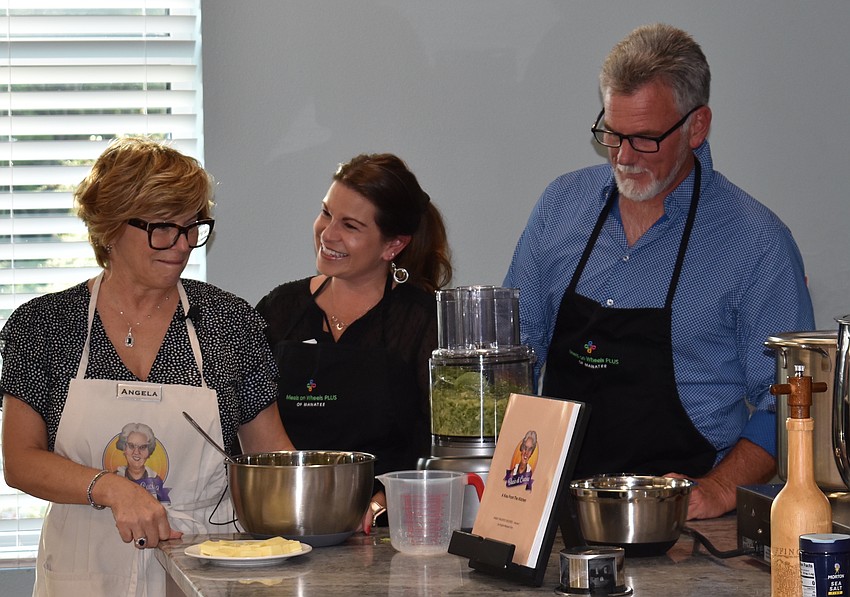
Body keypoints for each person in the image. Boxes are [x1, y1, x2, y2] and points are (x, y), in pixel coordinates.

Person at [504, 23, 815, 520]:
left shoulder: (756, 243)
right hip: (555, 513)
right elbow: (514, 354)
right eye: (612, 133)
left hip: (683, 524)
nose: (624, 157)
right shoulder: (561, 206)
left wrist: (718, 490)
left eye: (646, 139)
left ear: (697, 126)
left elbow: (790, 402)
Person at [0, 136, 294, 595]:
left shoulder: (229, 322)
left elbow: (271, 461)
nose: (182, 244)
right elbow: (20, 461)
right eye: (163, 227)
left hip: (203, 562)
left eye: (192, 226)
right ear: (109, 228)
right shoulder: (47, 325)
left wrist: (335, 503)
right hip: (84, 567)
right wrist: (112, 488)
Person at [257, 152, 452, 533]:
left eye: (350, 225)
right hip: (283, 520)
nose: (327, 234)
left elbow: (440, 448)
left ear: (392, 246)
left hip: (385, 531)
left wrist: (383, 502)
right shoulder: (280, 309)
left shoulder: (424, 321)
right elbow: (244, 417)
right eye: (326, 213)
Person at [115, 422, 169, 502]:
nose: (136, 452)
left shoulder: (156, 480)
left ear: (149, 451)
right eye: (131, 446)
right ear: (124, 449)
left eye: (142, 447)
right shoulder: (114, 478)